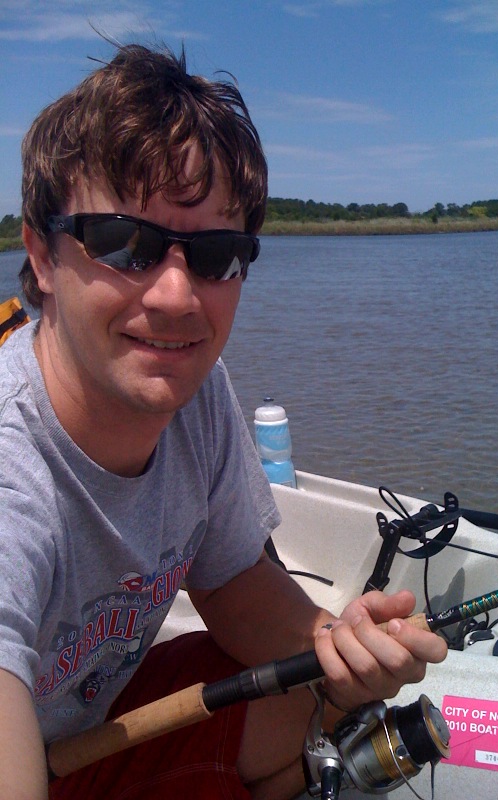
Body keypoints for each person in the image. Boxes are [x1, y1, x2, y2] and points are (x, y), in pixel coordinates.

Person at [0, 43, 447, 800]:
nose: (178, 296)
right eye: (124, 243)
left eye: (214, 255)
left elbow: (234, 579)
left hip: (87, 731)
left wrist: (339, 653)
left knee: (288, 693)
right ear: (41, 255)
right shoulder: (14, 472)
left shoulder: (194, 393)